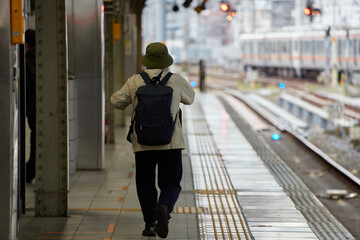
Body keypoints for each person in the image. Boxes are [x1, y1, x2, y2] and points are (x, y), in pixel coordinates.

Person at [111, 42, 195, 238]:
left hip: (143, 142)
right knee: (171, 182)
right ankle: (164, 206)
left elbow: (115, 101)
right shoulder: (175, 80)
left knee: (145, 183)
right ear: (166, 61)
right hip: (171, 142)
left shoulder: (135, 81)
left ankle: (150, 224)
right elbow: (190, 99)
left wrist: (134, 100)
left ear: (147, 60)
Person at [25, 29, 36, 183]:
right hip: (39, 108)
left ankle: (29, 172)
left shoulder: (27, 60)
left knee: (35, 140)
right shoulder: (43, 58)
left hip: (32, 108)